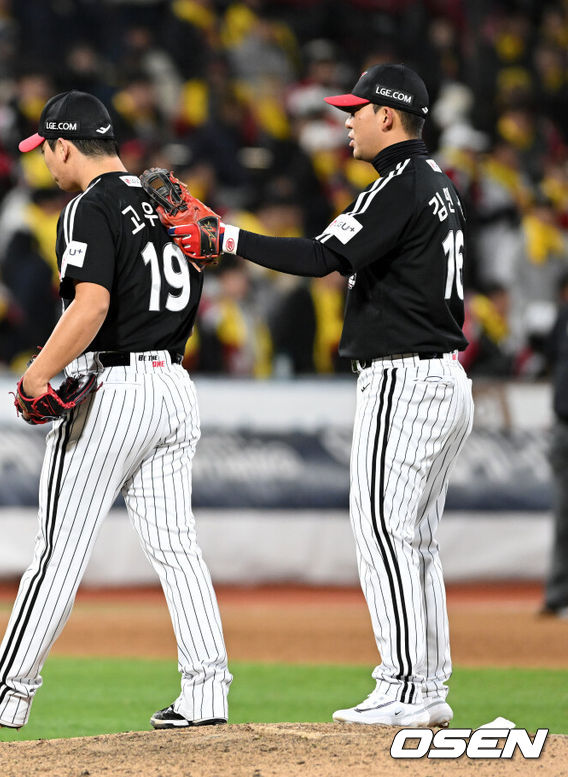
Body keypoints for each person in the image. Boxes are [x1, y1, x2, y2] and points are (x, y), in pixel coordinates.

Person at [166, 64, 474, 727]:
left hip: (405, 376)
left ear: (388, 117)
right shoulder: (437, 185)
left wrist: (228, 237)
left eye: (357, 110)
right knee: (415, 540)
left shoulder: (399, 184)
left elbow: (319, 258)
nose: (346, 120)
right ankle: (427, 687)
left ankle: (401, 685)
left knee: (385, 534)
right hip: (443, 373)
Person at [0, 90, 232, 730]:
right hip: (175, 384)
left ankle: (8, 688)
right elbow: (205, 257)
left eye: (45, 150)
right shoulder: (165, 198)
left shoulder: (87, 206)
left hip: (116, 390)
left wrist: (39, 371)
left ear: (64, 145)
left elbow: (91, 304)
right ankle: (207, 692)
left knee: (57, 548)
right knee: (177, 548)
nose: (44, 162)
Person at [542, 274, 568, 618]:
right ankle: (558, 594)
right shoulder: (563, 316)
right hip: (563, 426)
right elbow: (547, 354)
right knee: (563, 514)